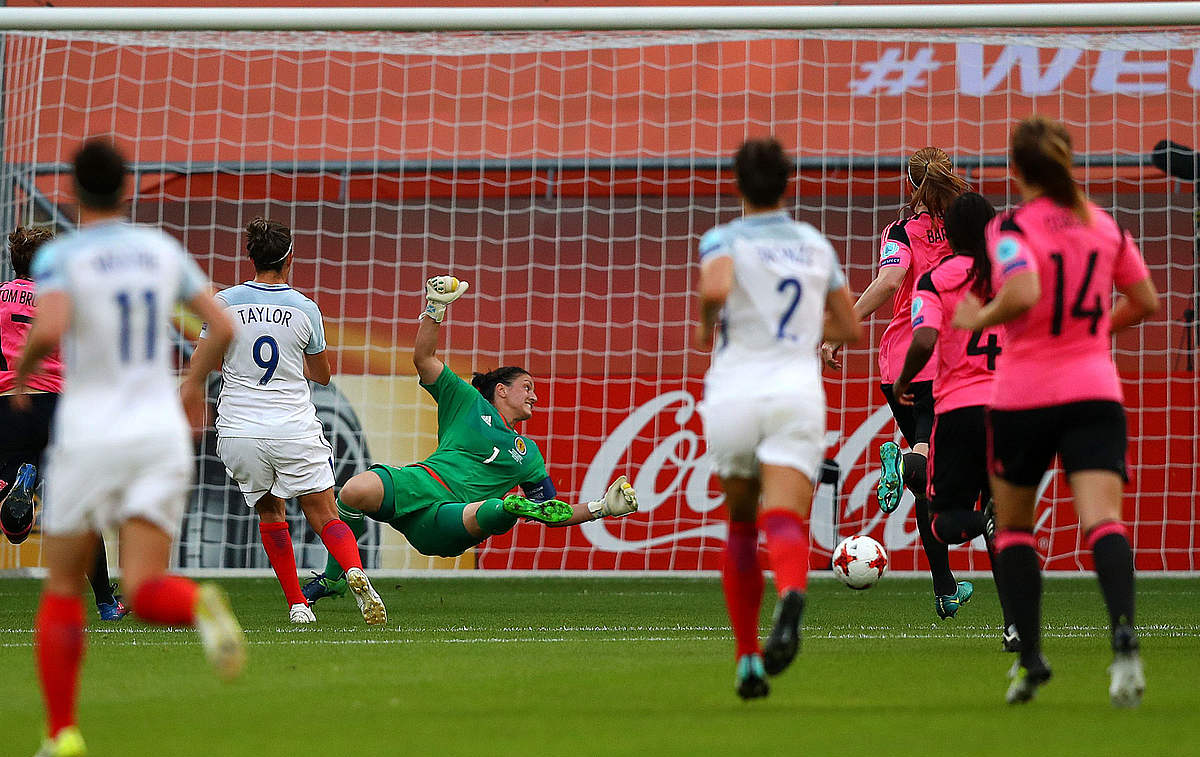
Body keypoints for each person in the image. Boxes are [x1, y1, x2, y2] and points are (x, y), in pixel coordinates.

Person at [16, 138, 245, 757]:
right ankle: (198, 602)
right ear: (126, 187)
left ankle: (62, 732)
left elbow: (54, 328)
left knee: (63, 585)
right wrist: (194, 383)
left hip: (91, 435)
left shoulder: (62, 255)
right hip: (158, 434)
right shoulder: (159, 249)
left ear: (73, 190)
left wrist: (20, 373)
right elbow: (221, 325)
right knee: (146, 588)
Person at [952, 116, 1158, 706]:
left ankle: (1033, 659)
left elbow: (1021, 292)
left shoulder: (1009, 226)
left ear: (1015, 171)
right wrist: (1093, 331)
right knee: (1103, 521)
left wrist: (979, 319)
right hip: (1095, 388)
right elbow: (1144, 300)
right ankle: (1123, 642)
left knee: (1014, 526)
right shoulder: (1102, 225)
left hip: (1024, 394)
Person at [301, 276, 640, 604]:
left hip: (454, 517)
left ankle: (507, 509)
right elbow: (424, 359)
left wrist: (601, 508)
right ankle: (335, 579)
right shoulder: (465, 400)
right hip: (421, 481)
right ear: (501, 390)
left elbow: (553, 512)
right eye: (527, 387)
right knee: (353, 490)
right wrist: (435, 308)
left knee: (502, 507)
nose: (535, 396)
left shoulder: (529, 455)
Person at [694, 136, 862, 700]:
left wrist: (704, 324)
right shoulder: (814, 244)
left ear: (738, 184)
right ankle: (792, 594)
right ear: (787, 184)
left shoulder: (723, 238)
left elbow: (717, 286)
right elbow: (850, 329)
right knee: (784, 517)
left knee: (741, 524)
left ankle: (747, 661)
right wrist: (801, 336)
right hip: (796, 390)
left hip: (736, 391)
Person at [179, 217, 384, 626]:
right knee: (325, 514)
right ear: (290, 259)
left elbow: (199, 367)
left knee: (271, 514)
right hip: (292, 426)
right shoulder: (305, 308)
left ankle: (297, 605)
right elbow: (323, 375)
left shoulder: (222, 304)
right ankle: (354, 570)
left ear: (250, 257)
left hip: (240, 430)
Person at [0, 227, 126, 622]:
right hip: (59, 411)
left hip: (4, 410)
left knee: (15, 530)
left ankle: (22, 477)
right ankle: (106, 604)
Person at [822, 146, 975, 620]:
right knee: (956, 484)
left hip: (898, 364)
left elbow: (890, 282)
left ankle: (945, 589)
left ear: (911, 187)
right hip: (948, 361)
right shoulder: (968, 230)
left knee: (928, 481)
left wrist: (841, 329)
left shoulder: (900, 231)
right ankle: (904, 466)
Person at [891, 191, 1018, 651]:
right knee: (1009, 525)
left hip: (958, 410)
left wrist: (905, 379)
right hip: (1009, 410)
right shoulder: (1010, 277)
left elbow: (923, 339)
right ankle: (1016, 624)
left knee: (941, 520)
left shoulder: (935, 278)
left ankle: (961, 507)